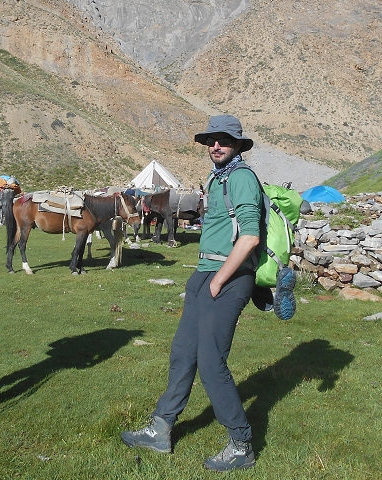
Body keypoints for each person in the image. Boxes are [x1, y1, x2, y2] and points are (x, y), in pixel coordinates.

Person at [120, 114, 265, 472]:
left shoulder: (242, 178)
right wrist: (203, 279)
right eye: (211, 140)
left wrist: (217, 281)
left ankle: (241, 442)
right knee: (183, 352)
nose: (215, 145)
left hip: (228, 279)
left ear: (236, 145)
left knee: (212, 361)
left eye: (223, 140)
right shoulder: (218, 179)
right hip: (204, 274)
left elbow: (250, 235)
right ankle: (161, 428)